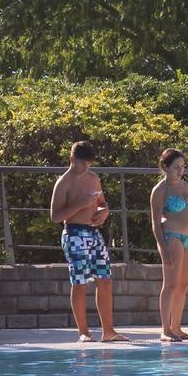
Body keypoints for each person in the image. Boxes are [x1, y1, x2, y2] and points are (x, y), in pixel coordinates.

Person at [49, 140, 128, 343]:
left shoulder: (93, 178)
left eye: (88, 164)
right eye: (81, 163)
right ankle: (83, 332)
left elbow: (101, 203)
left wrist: (105, 212)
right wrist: (80, 204)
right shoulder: (63, 183)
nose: (85, 168)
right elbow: (55, 216)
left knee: (105, 281)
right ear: (72, 160)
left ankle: (108, 331)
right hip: (74, 233)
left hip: (94, 233)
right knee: (80, 283)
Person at [150, 148, 188, 342]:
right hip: (171, 237)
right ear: (165, 167)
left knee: (182, 285)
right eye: (176, 167)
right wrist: (163, 250)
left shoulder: (185, 185)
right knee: (171, 284)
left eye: (183, 167)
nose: (180, 171)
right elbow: (155, 223)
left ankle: (177, 328)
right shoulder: (159, 191)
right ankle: (165, 330)